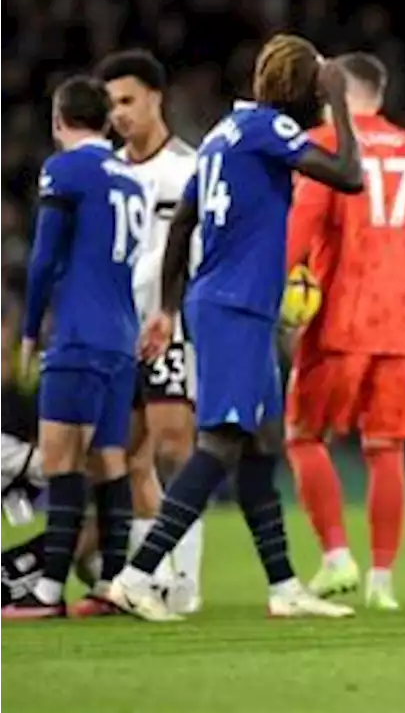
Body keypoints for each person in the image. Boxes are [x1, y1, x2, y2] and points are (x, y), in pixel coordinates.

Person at [105, 34, 364, 621]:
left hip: (225, 303)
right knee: (221, 441)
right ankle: (136, 573)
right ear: (302, 88)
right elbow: (349, 175)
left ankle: (282, 587)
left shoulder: (223, 134)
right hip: (235, 308)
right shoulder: (268, 129)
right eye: (316, 85)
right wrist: (342, 101)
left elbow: (183, 224)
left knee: (261, 444)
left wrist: (168, 306)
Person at [285, 52, 405, 610]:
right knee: (384, 451)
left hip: (336, 320)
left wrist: (282, 281)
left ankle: (337, 556)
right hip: (399, 324)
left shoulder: (322, 142)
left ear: (332, 94)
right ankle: (382, 580)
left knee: (303, 437)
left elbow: (301, 225)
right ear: (381, 94)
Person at [0, 76, 149, 619]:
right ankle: (112, 583)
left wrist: (29, 332)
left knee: (61, 461)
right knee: (109, 459)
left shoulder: (64, 170)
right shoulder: (130, 178)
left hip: (79, 335)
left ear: (58, 120)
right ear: (107, 121)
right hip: (120, 337)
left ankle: (45, 593)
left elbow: (42, 261)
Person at [79, 48, 204, 615]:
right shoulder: (106, 173)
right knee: (126, 459)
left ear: (157, 97)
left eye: (128, 100)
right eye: (110, 104)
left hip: (171, 326)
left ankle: (186, 583)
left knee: (176, 446)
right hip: (117, 332)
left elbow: (198, 251)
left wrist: (174, 313)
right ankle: (143, 581)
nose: (119, 113)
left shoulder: (189, 168)